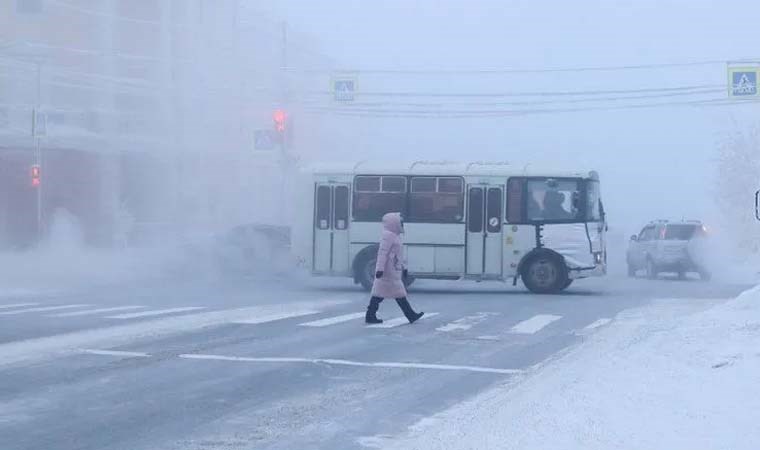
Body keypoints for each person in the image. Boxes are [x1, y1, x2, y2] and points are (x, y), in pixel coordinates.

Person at [365, 212, 424, 325]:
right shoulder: (388, 235)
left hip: (392, 269)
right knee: (397, 293)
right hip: (388, 271)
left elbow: (398, 254)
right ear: (393, 223)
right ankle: (410, 315)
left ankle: (370, 315)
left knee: (381, 293)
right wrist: (380, 269)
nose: (401, 224)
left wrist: (404, 268)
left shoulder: (393, 235)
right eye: (400, 222)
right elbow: (382, 253)